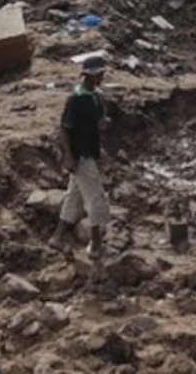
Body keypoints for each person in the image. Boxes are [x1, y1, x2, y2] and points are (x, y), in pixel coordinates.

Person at [50, 56, 112, 259]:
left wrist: (102, 126)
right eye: (99, 75)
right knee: (96, 198)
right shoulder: (75, 100)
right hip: (80, 156)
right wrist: (68, 155)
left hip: (89, 152)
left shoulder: (96, 96)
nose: (102, 77)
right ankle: (95, 246)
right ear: (89, 76)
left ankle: (57, 238)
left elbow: (97, 124)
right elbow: (65, 130)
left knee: (74, 196)